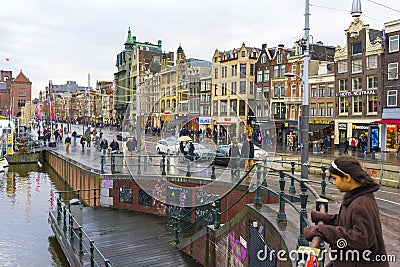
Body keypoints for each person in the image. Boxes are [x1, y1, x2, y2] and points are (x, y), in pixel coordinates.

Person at [304, 156, 388, 267]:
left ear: (347, 178)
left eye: (334, 178)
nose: (334, 182)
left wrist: (323, 230)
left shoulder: (360, 203)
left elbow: (362, 238)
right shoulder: (359, 197)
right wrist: (325, 218)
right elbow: (349, 221)